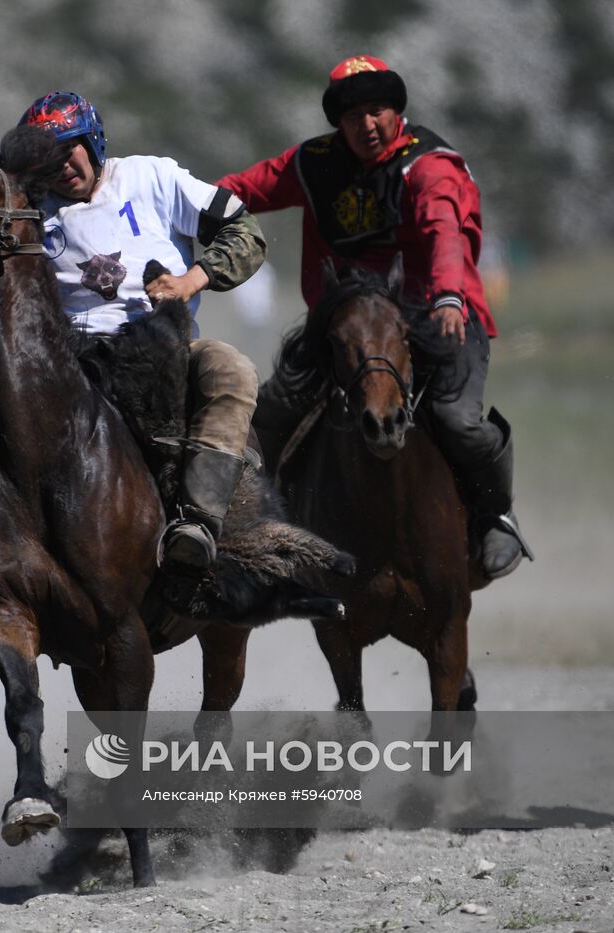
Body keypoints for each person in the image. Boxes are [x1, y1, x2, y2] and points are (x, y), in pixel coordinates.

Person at [216, 55, 533, 582]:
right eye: (353, 114)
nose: (366, 124)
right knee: (270, 412)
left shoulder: (428, 165)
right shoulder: (313, 163)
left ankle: (496, 516)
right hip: (345, 323)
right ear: (338, 122)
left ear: (396, 112)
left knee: (458, 420)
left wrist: (450, 296)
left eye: (377, 110)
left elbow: (443, 234)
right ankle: (250, 529)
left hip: (435, 314)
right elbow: (241, 189)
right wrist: (179, 209)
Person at [13, 90, 267, 571]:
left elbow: (244, 230)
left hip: (167, 344)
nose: (63, 166)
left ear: (91, 141)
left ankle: (201, 521)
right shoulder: (27, 211)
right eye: (47, 158)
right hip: (73, 359)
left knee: (233, 371)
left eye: (69, 148)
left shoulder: (151, 176)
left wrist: (191, 279)